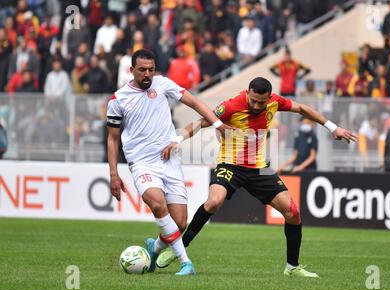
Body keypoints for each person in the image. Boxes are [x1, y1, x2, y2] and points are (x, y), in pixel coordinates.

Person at [155, 77, 357, 277]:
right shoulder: (232, 106)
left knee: (293, 212)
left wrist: (333, 127)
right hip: (230, 164)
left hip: (260, 168)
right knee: (213, 202)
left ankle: (292, 267)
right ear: (248, 92)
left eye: (262, 102)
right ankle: (179, 247)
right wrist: (177, 139)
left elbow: (303, 109)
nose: (257, 105)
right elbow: (199, 122)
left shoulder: (275, 101)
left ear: (269, 97)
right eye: (253, 100)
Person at [106, 49, 231, 276]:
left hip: (169, 160)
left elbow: (194, 102)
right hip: (142, 162)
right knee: (158, 205)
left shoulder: (162, 84)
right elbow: (113, 139)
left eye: (151, 70)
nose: (147, 74)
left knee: (180, 222)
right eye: (142, 70)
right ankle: (186, 262)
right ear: (131, 70)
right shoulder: (118, 99)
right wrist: (114, 174)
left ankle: (154, 247)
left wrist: (218, 124)